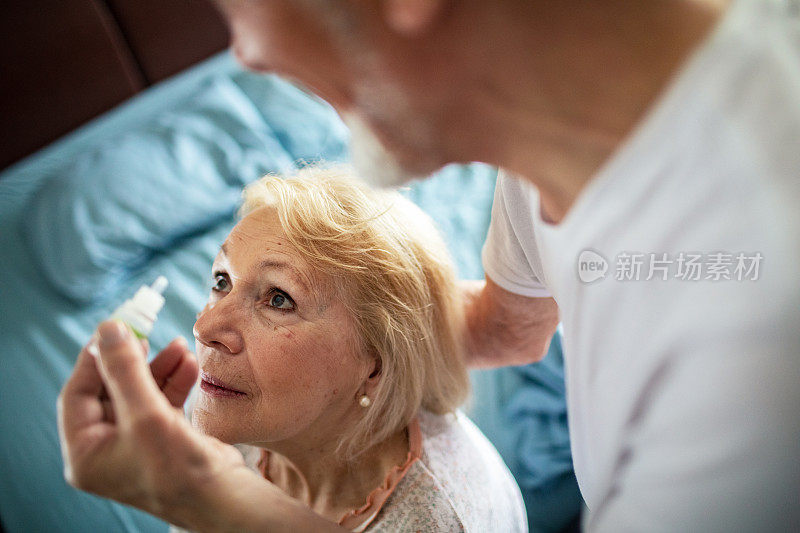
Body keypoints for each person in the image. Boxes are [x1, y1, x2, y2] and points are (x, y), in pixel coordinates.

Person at [59, 0, 800, 531]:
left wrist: (206, 498)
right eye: (221, 282)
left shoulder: (759, 335)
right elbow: (507, 328)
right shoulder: (541, 149)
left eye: (245, 18)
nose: (249, 56)